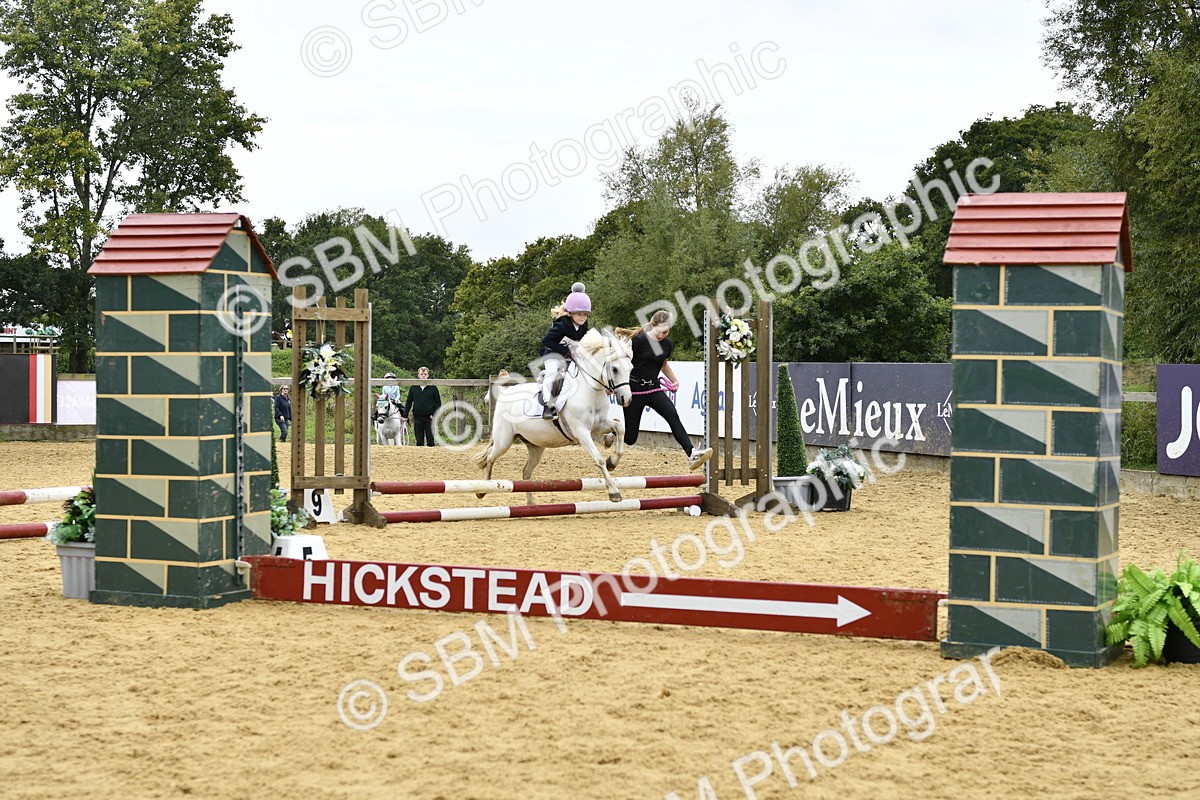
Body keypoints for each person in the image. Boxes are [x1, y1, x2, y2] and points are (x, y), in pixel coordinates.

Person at [617, 311, 713, 472]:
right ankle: (616, 430)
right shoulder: (638, 341)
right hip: (634, 391)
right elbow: (622, 365)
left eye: (666, 332)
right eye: (661, 331)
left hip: (654, 388)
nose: (663, 335)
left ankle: (691, 453)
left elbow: (663, 365)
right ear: (653, 325)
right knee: (630, 438)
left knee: (672, 415)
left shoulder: (667, 344)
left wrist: (674, 380)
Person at [538, 282, 591, 419]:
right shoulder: (562, 325)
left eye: (585, 315)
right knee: (551, 374)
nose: (583, 317)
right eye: (579, 314)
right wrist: (565, 350)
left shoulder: (584, 328)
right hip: (553, 355)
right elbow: (546, 340)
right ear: (570, 313)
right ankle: (547, 406)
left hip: (570, 357)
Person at [404, 366, 441, 446]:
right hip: (417, 417)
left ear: (428, 375)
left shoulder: (433, 388)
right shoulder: (413, 388)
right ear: (418, 375)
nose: (423, 375)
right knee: (419, 441)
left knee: (430, 440)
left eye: (425, 374)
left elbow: (438, 403)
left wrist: (434, 414)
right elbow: (409, 402)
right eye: (421, 374)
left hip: (429, 418)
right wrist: (405, 415)